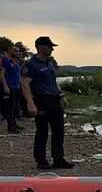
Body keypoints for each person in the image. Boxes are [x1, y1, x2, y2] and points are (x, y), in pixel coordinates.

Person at [21, 36, 75, 169]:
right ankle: (41, 160)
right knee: (42, 131)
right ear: (40, 47)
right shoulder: (31, 64)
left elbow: (52, 82)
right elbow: (25, 85)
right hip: (41, 101)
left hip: (55, 101)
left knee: (59, 130)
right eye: (49, 46)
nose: (52, 49)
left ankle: (58, 158)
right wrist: (30, 103)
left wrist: (61, 95)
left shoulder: (49, 62)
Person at [2, 46, 25, 133]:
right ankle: (10, 126)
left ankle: (14, 124)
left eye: (18, 51)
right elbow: (1, 74)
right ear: (9, 50)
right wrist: (5, 86)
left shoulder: (15, 61)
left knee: (16, 106)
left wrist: (21, 85)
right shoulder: (4, 60)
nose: (17, 53)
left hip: (17, 87)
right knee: (10, 107)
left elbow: (18, 74)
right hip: (9, 87)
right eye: (15, 51)